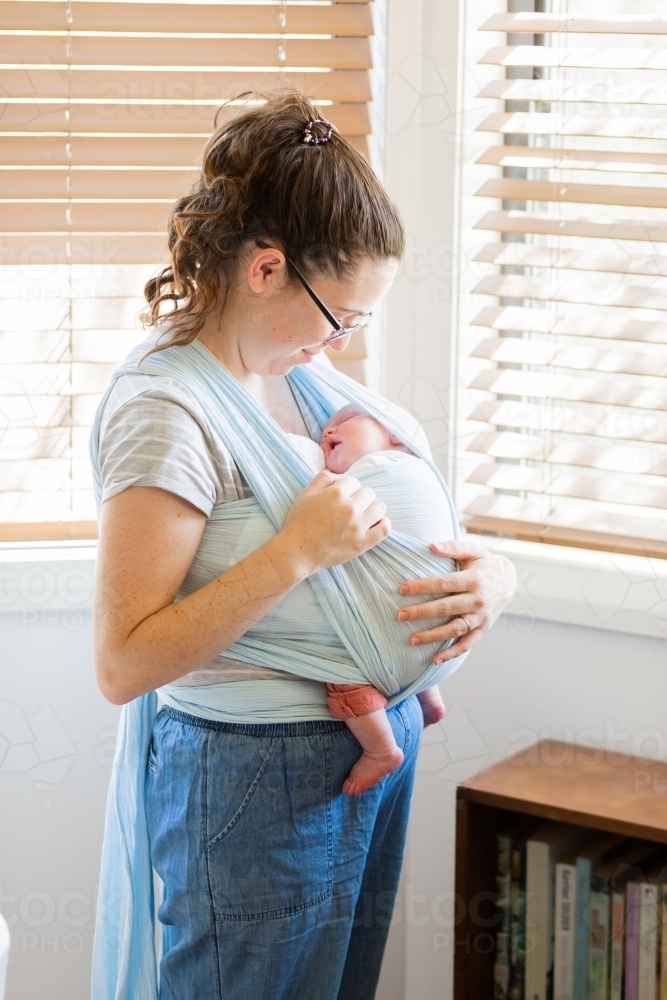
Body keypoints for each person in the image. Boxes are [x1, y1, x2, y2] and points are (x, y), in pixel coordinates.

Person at [92, 91, 517, 1000]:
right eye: (341, 317)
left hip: (369, 744)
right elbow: (125, 663)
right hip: (256, 772)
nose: (341, 343)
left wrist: (491, 578)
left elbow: (396, 511)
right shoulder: (167, 411)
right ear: (267, 269)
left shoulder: (300, 379)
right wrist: (294, 553)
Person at [286, 403, 451, 796]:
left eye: (344, 422)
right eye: (323, 433)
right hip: (434, 632)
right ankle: (428, 694)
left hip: (400, 621)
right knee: (410, 639)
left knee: (341, 669)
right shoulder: (422, 475)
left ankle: (381, 749)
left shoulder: (384, 470)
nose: (327, 432)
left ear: (396, 433)